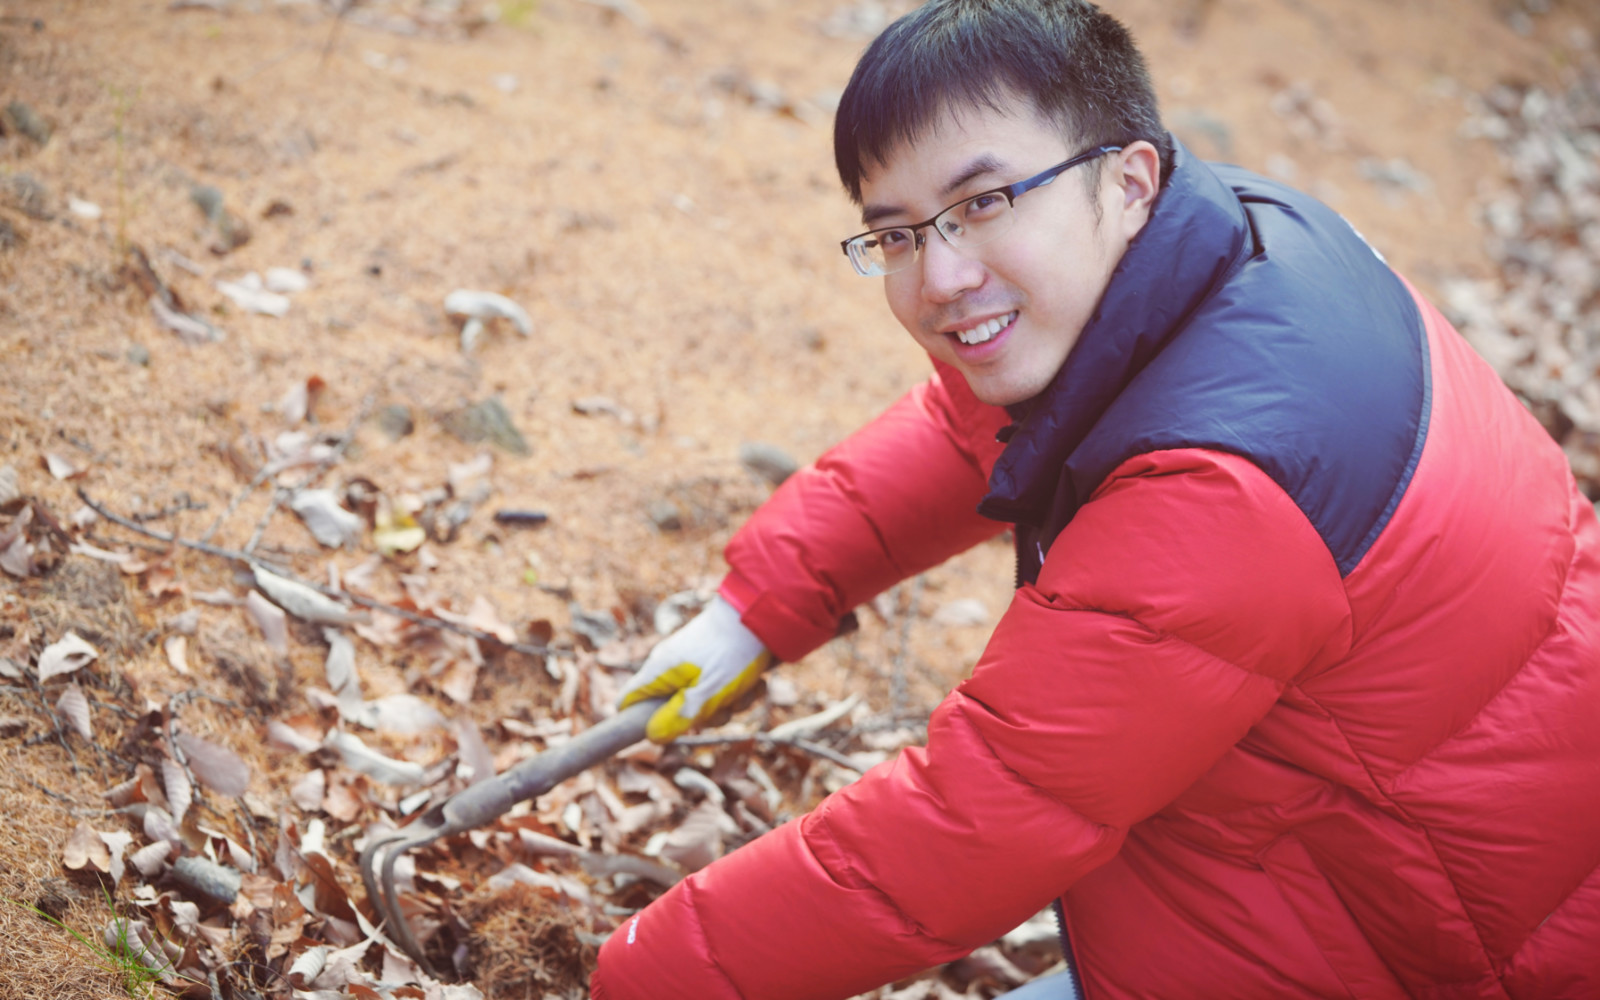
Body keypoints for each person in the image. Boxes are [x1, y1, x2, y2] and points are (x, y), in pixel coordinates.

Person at [590, 1, 1600, 997]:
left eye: (982, 202)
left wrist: (646, 976)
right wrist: (752, 610)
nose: (938, 276)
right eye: (895, 236)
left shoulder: (1219, 495)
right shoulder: (1230, 244)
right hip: (1373, 858)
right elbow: (968, 434)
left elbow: (980, 818)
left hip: (1463, 947)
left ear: (1127, 177)